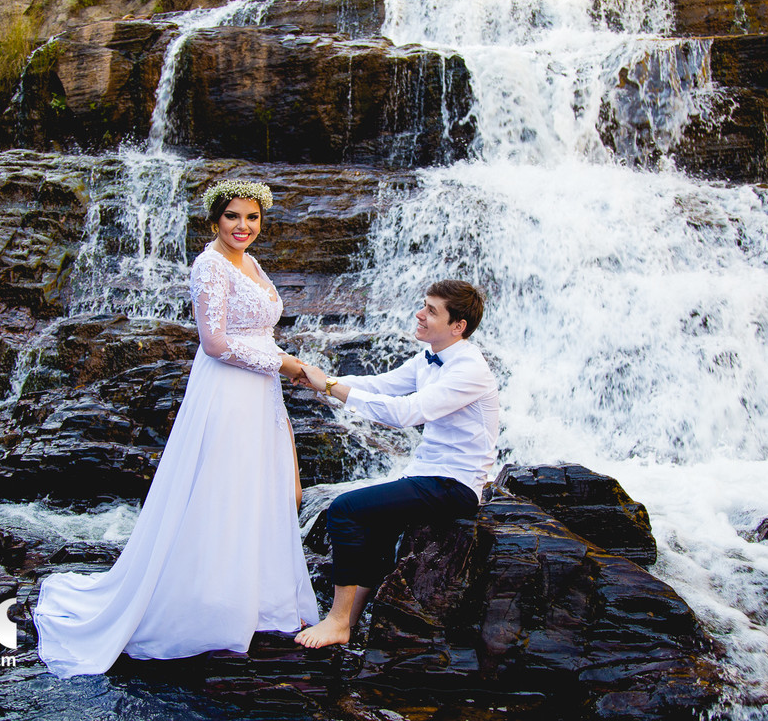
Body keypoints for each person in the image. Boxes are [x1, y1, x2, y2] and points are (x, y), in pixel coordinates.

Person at [34, 178, 319, 677]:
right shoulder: (209, 265)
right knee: (222, 490)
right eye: (233, 216)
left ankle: (260, 600)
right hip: (227, 390)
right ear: (214, 220)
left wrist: (285, 366)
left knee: (259, 489)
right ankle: (207, 607)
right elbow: (214, 342)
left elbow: (260, 331)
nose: (243, 226)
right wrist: (287, 364)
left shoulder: (251, 263)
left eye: (252, 217)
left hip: (261, 393)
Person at [293, 280, 499, 648]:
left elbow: (406, 413)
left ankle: (337, 621)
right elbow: (381, 385)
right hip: (427, 475)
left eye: (431, 311)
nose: (419, 314)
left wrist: (330, 387)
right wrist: (322, 381)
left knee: (344, 510)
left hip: (455, 484)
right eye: (423, 305)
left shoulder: (469, 369)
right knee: (377, 525)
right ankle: (350, 622)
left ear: (458, 326)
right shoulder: (429, 356)